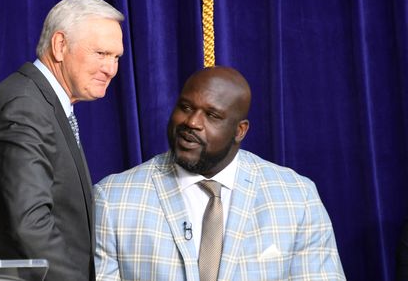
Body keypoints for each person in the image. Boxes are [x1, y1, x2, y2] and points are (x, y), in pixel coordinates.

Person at [94, 66, 346, 280]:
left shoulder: (297, 197)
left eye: (212, 115)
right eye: (185, 107)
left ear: (240, 131)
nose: (192, 122)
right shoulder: (113, 199)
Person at [0, 0, 124, 281]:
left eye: (116, 57)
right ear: (60, 46)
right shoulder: (25, 107)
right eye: (101, 54)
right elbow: (31, 223)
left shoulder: (42, 102)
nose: (111, 69)